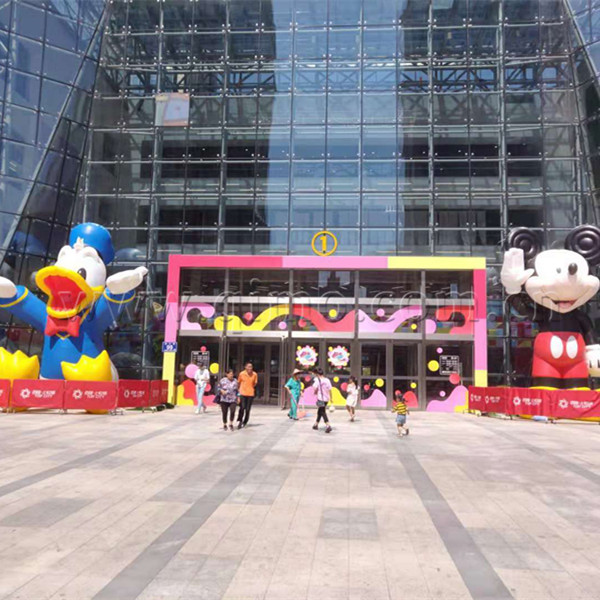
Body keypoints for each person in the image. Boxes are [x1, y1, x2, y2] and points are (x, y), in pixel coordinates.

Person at [237, 361, 258, 428]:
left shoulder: (254, 374)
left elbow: (255, 383)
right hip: (242, 393)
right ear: (245, 367)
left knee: (248, 409)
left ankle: (245, 421)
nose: (250, 368)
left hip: (250, 394)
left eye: (251, 367)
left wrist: (250, 388)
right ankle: (240, 420)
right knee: (242, 407)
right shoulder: (241, 374)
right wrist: (238, 393)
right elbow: (238, 382)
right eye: (248, 367)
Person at [312, 367, 332, 433]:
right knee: (320, 411)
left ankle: (328, 425)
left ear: (317, 374)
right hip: (326, 399)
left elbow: (315, 388)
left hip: (320, 398)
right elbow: (330, 389)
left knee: (322, 412)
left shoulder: (317, 380)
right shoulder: (327, 380)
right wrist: (331, 398)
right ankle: (316, 424)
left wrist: (315, 392)